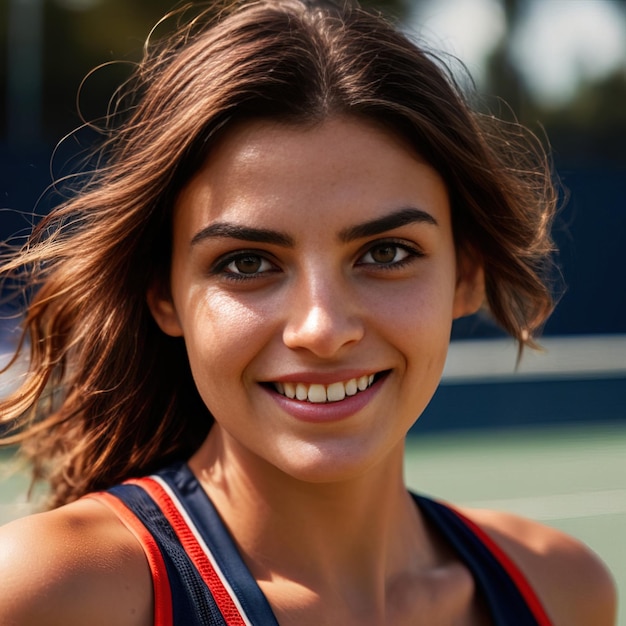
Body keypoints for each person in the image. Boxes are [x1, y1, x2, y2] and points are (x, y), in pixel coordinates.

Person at [0, 1, 616, 624]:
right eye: (246, 263)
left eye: (387, 252)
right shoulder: (51, 595)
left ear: (467, 274)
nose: (322, 328)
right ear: (164, 295)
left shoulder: (560, 591)